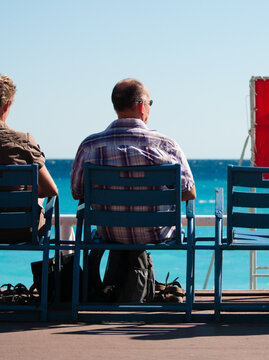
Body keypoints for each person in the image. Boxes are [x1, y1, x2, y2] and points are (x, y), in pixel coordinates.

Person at [70, 78, 196, 302]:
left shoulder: (90, 145)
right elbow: (189, 192)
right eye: (150, 103)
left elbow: (77, 192)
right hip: (154, 233)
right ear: (141, 105)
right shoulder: (165, 144)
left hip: (109, 232)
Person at [0, 74, 58, 242]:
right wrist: (28, 192)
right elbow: (51, 190)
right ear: (7, 105)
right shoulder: (23, 141)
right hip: (21, 229)